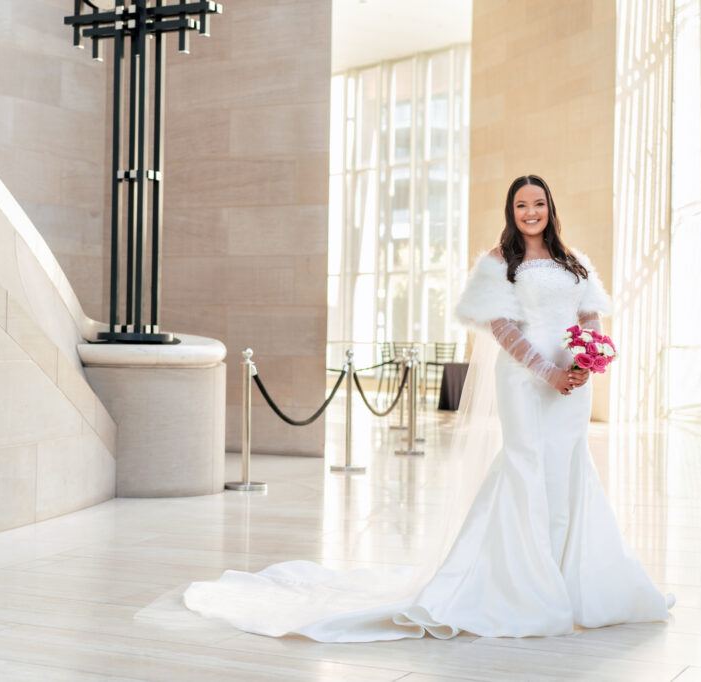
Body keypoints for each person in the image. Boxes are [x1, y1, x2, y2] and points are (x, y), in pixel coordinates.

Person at [182, 174, 673, 642]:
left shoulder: (574, 261)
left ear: (550, 208)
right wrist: (548, 371)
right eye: (521, 204)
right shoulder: (499, 261)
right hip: (527, 379)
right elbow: (502, 329)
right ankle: (525, 587)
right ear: (511, 211)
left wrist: (588, 358)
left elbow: (590, 314)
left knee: (568, 469)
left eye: (538, 203)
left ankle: (577, 583)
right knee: (527, 466)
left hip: (573, 381)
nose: (531, 212)